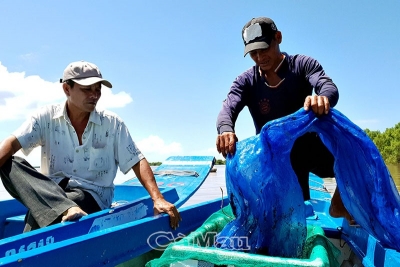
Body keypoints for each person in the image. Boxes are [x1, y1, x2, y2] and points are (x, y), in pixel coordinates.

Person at [0, 60, 181, 232]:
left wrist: (158, 198)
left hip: (92, 196)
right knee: (9, 161)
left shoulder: (112, 123)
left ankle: (26, 253)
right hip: (50, 191)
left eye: (98, 89)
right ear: (66, 89)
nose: (94, 95)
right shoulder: (45, 117)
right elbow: (12, 142)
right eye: (87, 89)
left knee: (43, 210)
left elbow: (136, 160)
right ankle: (64, 209)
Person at [215, 17, 353, 223]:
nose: (260, 57)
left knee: (353, 154)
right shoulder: (245, 81)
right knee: (291, 217)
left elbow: (328, 87)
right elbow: (228, 108)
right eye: (253, 53)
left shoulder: (303, 64)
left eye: (264, 48)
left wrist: (322, 98)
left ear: (278, 38)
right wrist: (226, 129)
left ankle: (339, 205)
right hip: (273, 159)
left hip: (309, 147)